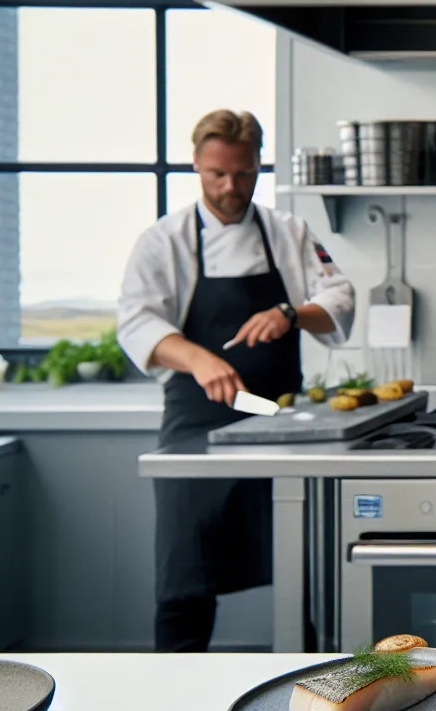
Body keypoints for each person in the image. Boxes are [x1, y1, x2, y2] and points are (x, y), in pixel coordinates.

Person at [117, 109, 354, 652]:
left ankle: (316, 691)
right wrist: (198, 359)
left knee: (303, 572)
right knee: (183, 582)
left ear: (257, 167)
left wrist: (291, 314)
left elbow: (338, 296)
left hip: (280, 425)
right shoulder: (164, 241)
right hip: (194, 430)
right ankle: (172, 691)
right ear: (196, 164)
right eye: (217, 174)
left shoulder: (287, 231)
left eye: (243, 174)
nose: (230, 187)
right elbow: (137, 322)